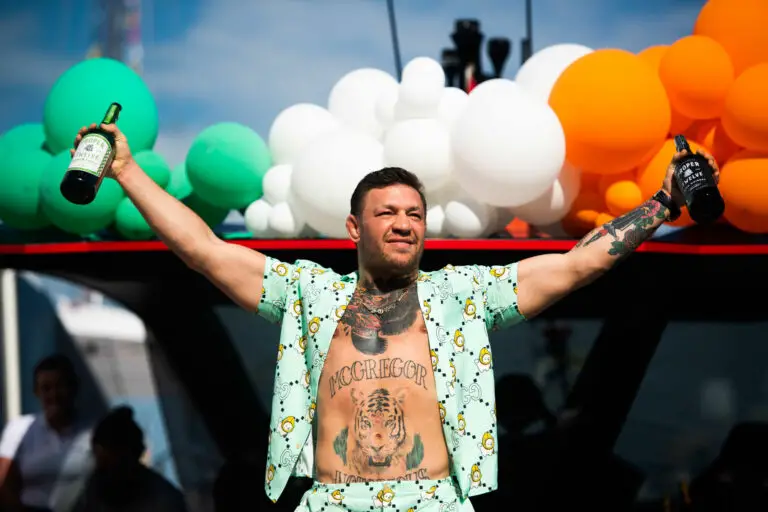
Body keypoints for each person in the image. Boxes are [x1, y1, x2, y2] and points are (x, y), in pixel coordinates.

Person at [72, 122, 719, 511]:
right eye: (387, 213)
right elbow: (204, 250)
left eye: (415, 214)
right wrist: (126, 171)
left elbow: (578, 265)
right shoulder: (308, 295)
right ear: (355, 228)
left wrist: (663, 204)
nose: (405, 223)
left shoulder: (464, 296)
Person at [0, 354, 93, 512]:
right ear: (36, 392)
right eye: (46, 388)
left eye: (60, 386)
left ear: (74, 388)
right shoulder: (18, 429)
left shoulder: (93, 432)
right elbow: (3, 486)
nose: (54, 395)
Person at [72, 406, 188, 512]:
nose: (101, 468)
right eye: (98, 460)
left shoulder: (164, 500)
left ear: (131, 456)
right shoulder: (95, 489)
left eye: (108, 461)